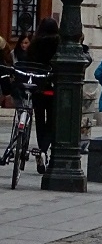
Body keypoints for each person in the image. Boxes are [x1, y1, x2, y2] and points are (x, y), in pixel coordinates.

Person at [26, 17, 60, 173]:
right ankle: (44, 150)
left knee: (39, 120)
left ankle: (41, 150)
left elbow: (28, 63)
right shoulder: (59, 43)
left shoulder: (34, 44)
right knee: (52, 121)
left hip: (38, 87)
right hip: (53, 87)